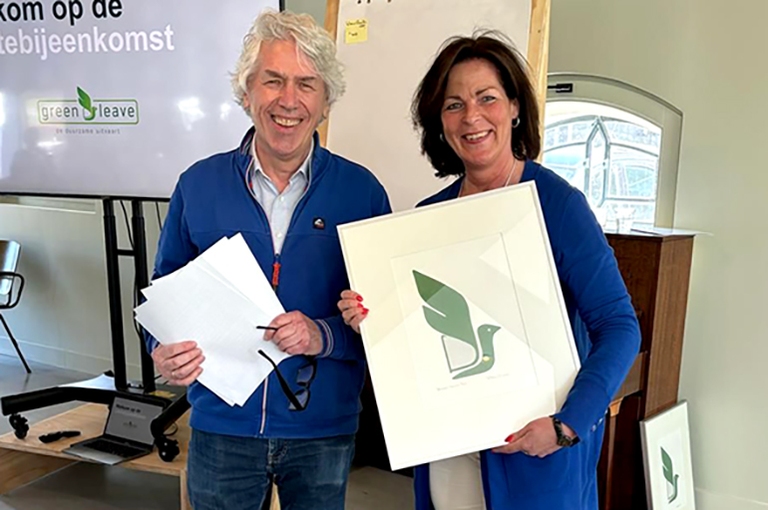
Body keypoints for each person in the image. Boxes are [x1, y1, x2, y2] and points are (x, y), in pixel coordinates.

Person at [338, 32, 640, 510]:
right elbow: (416, 337)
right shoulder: (427, 217)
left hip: (535, 455)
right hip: (449, 450)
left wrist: (567, 425)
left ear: (515, 107)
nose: (471, 117)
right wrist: (369, 319)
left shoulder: (559, 207)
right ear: (439, 122)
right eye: (454, 105)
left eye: (487, 98)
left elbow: (620, 327)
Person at [147, 10, 390, 510]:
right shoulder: (198, 185)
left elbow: (386, 322)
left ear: (325, 102)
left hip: (322, 429)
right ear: (246, 92)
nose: (288, 100)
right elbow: (163, 293)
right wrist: (161, 349)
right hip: (222, 425)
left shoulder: (362, 193)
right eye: (273, 80)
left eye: (306, 84)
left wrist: (320, 335)